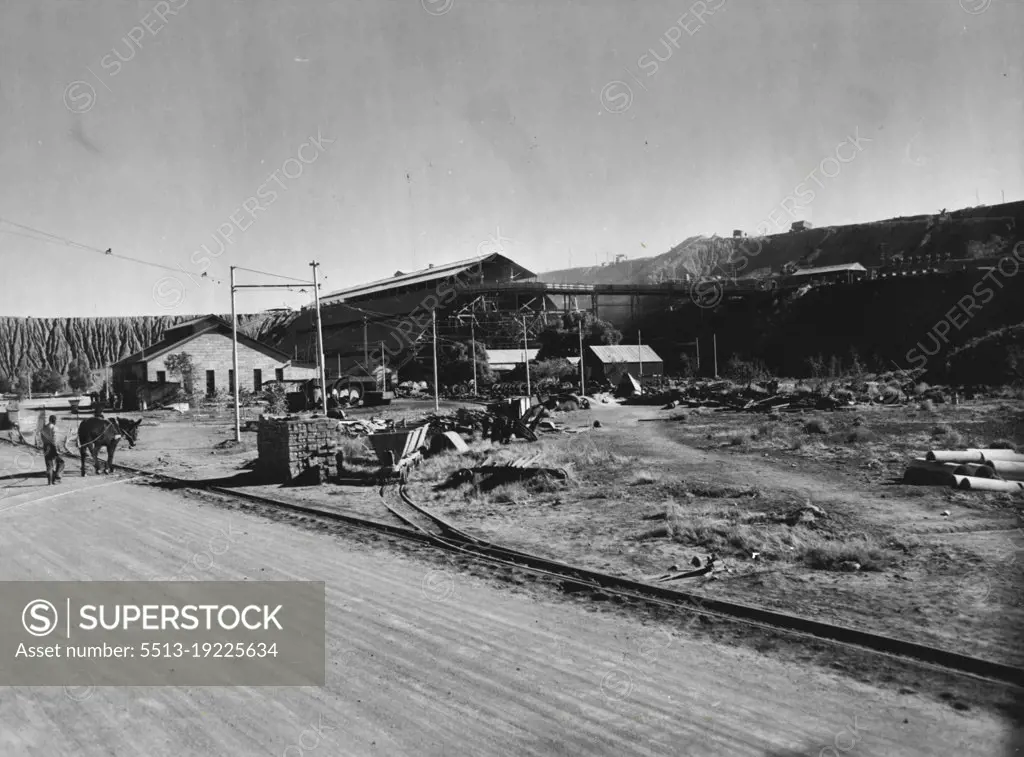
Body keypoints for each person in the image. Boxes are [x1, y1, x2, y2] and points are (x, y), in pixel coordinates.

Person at [40, 415, 65, 485]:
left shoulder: (44, 428)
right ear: (54, 421)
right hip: (53, 447)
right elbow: (54, 439)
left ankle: (49, 482)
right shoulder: (54, 428)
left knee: (49, 464)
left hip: (46, 447)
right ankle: (57, 478)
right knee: (61, 462)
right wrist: (57, 450)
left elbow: (41, 437)